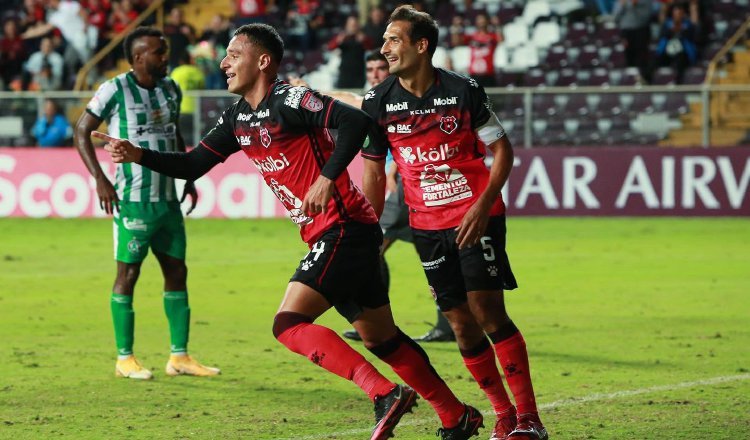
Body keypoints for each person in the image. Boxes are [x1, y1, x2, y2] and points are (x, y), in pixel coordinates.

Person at [99, 23, 483, 440]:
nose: (224, 63)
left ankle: (384, 393)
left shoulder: (291, 99)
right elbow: (192, 165)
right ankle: (455, 415)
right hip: (339, 232)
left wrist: (326, 179)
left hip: (344, 228)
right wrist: (138, 154)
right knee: (382, 338)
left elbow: (355, 123)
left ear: (262, 61)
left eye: (233, 54)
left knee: (288, 323)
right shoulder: (238, 116)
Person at [361, 6, 548, 440]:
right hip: (426, 225)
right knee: (459, 321)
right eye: (384, 40)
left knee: (487, 311)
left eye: (393, 40)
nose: (384, 48)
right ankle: (502, 415)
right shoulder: (378, 102)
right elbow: (372, 170)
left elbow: (503, 151)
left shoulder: (463, 90)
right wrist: (372, 227)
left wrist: (484, 204)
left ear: (421, 45)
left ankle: (530, 418)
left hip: (474, 217)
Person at [74, 27, 218, 380]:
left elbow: (175, 133)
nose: (165, 57)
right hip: (133, 200)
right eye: (158, 52)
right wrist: (100, 178)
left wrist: (189, 175)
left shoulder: (171, 88)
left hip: (167, 199)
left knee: (177, 271)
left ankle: (179, 357)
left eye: (165, 50)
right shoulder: (115, 89)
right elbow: (81, 130)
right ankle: (125, 358)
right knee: (129, 273)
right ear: (138, 57)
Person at [298, 51, 455, 343]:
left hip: (405, 190)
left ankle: (373, 319)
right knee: (430, 253)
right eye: (370, 68)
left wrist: (311, 94)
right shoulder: (379, 98)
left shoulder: (399, 99)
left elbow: (402, 134)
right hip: (405, 191)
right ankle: (446, 322)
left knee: (369, 247)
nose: (375, 73)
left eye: (381, 67)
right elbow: (351, 98)